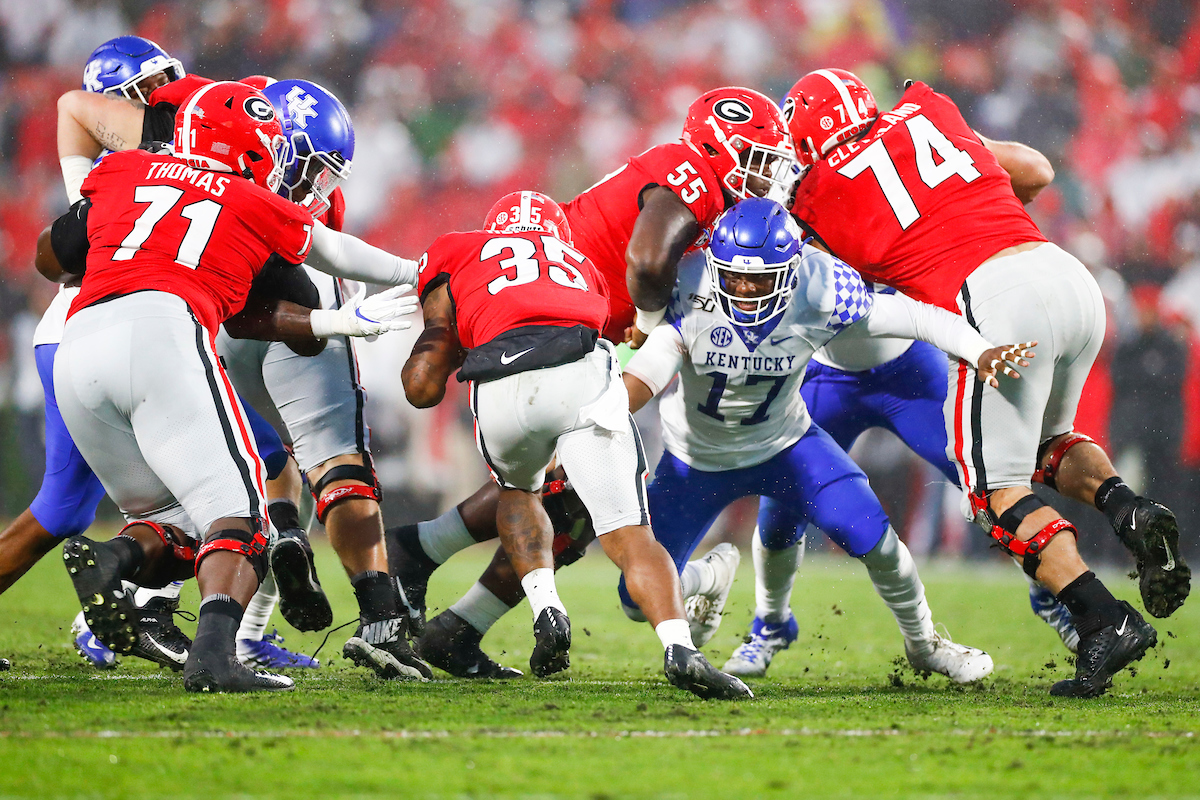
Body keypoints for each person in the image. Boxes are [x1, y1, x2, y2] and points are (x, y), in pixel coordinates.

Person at [782, 68, 1175, 696]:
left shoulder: (819, 189)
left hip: (998, 301)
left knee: (993, 492)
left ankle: (1104, 618)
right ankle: (1129, 507)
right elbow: (1037, 172)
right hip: (1067, 275)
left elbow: (810, 268)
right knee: (1051, 446)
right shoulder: (926, 114)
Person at [387, 87, 797, 673]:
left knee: (571, 501)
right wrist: (654, 326)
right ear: (720, 147)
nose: (765, 177)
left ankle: (445, 605)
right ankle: (426, 563)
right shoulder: (692, 174)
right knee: (586, 500)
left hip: (566, 326)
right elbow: (646, 261)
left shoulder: (695, 183)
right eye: (757, 159)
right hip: (559, 328)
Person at [46, 81, 416, 692]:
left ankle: (115, 561)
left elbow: (50, 255)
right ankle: (217, 655)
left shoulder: (128, 169)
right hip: (166, 334)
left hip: (77, 341)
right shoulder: (249, 195)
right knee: (248, 515)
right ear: (251, 147)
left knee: (177, 517)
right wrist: (418, 274)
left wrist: (95, 213)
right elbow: (327, 260)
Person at [619, 197, 1032, 682]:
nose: (748, 292)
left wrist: (978, 350)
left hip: (786, 447)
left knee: (878, 540)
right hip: (696, 459)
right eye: (736, 278)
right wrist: (593, 425)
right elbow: (645, 374)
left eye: (761, 280)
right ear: (714, 268)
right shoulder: (687, 288)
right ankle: (709, 576)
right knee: (633, 598)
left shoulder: (820, 286)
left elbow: (917, 318)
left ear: (791, 270)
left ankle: (924, 644)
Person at [0, 35, 303, 673]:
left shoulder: (156, 160)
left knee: (82, 506)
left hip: (92, 333)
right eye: (145, 88)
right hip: (102, 328)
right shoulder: (144, 159)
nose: (160, 98)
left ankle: (151, 600)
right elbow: (73, 119)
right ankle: (155, 615)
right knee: (236, 477)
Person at [402, 190, 750, 699]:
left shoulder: (462, 250)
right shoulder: (581, 262)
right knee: (628, 533)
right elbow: (604, 327)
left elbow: (427, 375)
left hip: (497, 387)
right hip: (578, 378)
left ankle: (546, 607)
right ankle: (680, 648)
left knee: (519, 493)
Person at [216, 78, 432, 681]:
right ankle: (381, 616)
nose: (318, 186)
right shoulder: (235, 185)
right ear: (273, 144)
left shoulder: (202, 167)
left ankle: (259, 584)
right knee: (336, 458)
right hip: (277, 316)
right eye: (311, 168)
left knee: (262, 464)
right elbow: (312, 284)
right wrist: (408, 279)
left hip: (216, 329)